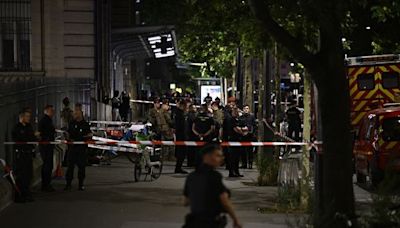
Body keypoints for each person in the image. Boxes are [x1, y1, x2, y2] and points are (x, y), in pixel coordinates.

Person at [183, 143, 242, 228]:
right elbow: (225, 201)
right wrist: (235, 220)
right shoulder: (214, 176)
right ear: (207, 157)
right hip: (210, 223)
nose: (222, 158)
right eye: (218, 156)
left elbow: (185, 202)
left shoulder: (191, 176)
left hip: (193, 222)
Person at [12, 109, 37, 203]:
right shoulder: (17, 128)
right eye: (27, 116)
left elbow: (32, 138)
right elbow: (22, 139)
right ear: (21, 117)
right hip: (21, 154)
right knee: (21, 175)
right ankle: (19, 196)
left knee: (28, 174)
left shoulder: (29, 126)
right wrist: (32, 136)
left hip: (28, 153)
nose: (29, 118)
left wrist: (34, 136)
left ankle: (27, 193)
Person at [65, 107, 92, 191]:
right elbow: (69, 134)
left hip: (81, 149)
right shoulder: (71, 123)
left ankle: (81, 184)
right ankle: (68, 184)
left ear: (81, 114)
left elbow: (89, 134)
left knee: (81, 167)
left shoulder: (85, 124)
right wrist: (68, 138)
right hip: (72, 149)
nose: (76, 115)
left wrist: (84, 137)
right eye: (75, 113)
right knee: (70, 167)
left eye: (77, 113)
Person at [38, 105, 56, 192]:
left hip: (47, 146)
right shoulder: (45, 121)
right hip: (46, 146)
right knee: (47, 165)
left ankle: (46, 184)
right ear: (46, 111)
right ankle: (45, 185)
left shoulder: (47, 120)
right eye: (51, 110)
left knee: (48, 165)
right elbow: (45, 133)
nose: (53, 112)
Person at [239, 105, 257, 169]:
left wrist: (251, 131)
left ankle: (250, 164)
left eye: (247, 108)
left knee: (250, 151)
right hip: (243, 136)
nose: (246, 110)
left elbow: (254, 126)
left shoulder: (251, 117)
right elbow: (238, 126)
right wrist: (242, 129)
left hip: (250, 136)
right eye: (245, 108)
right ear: (243, 109)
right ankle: (244, 164)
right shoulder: (241, 118)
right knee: (243, 151)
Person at [229, 108, 244, 178]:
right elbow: (235, 129)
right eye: (236, 112)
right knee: (233, 157)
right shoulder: (232, 119)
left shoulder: (237, 119)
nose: (237, 113)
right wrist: (241, 132)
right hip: (233, 140)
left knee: (237, 158)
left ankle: (236, 171)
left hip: (237, 140)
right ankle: (232, 172)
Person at [174, 100, 188, 174]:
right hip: (181, 136)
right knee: (181, 152)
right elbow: (180, 126)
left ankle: (178, 167)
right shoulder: (179, 114)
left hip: (181, 135)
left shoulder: (179, 113)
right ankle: (178, 168)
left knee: (181, 152)